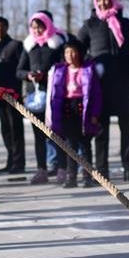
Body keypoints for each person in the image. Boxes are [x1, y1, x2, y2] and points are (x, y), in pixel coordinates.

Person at [77, 0, 129, 183]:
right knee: (101, 131)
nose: (103, 3)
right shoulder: (90, 24)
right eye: (100, 0)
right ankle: (102, 172)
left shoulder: (125, 23)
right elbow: (77, 49)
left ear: (113, 0)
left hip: (124, 83)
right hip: (100, 86)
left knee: (127, 130)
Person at [17, 12, 66, 184]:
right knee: (39, 135)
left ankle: (62, 168)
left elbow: (63, 66)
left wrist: (47, 76)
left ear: (47, 26)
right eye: (34, 27)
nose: (37, 30)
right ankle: (41, 170)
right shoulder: (29, 45)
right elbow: (19, 70)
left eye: (40, 26)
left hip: (54, 95)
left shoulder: (57, 43)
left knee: (57, 133)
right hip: (35, 97)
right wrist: (29, 75)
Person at [46, 39, 102, 188]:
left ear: (79, 53)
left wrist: (95, 114)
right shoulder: (59, 70)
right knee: (70, 145)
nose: (70, 55)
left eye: (73, 51)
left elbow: (96, 94)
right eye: (67, 52)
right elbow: (53, 94)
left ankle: (87, 175)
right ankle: (71, 176)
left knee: (85, 144)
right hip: (66, 109)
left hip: (84, 108)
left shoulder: (88, 70)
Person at [0, 16, 25, 175]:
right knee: (5, 131)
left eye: (2, 26)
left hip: (13, 95)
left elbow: (21, 68)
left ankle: (19, 163)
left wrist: (17, 91)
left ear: (7, 27)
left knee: (15, 130)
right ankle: (10, 161)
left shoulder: (15, 45)